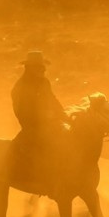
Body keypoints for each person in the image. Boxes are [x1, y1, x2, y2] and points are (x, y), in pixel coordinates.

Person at [10, 51, 67, 192]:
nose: (43, 69)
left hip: (48, 121)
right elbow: (21, 111)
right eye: (39, 67)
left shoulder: (44, 82)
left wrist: (63, 114)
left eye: (43, 67)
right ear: (29, 68)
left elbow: (52, 99)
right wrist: (41, 119)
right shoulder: (20, 87)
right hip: (31, 125)